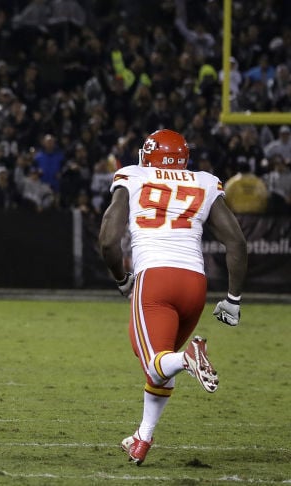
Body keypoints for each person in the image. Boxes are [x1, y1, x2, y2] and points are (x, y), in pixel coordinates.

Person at [98, 129, 247, 466]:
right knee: (158, 366)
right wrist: (233, 299)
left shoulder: (133, 175)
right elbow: (236, 242)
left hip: (155, 278)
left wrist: (122, 279)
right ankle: (142, 439)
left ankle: (189, 357)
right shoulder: (205, 181)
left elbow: (108, 239)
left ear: (149, 154)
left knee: (157, 360)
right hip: (194, 284)